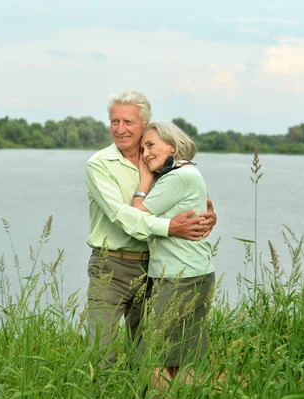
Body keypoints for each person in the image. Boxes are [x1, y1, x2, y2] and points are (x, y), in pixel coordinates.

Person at [85, 91, 216, 369]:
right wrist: (171, 228)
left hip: (154, 270)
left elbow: (185, 201)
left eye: (128, 122)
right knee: (101, 350)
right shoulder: (99, 165)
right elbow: (123, 216)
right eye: (114, 121)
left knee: (148, 351)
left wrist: (206, 218)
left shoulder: (159, 162)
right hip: (111, 265)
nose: (120, 129)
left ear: (144, 124)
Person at [130, 121, 215, 391]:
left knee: (150, 354)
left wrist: (144, 182)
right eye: (142, 148)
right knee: (180, 357)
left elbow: (136, 216)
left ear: (173, 146)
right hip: (196, 273)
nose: (145, 154)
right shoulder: (191, 174)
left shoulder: (177, 177)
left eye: (151, 145)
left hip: (179, 276)